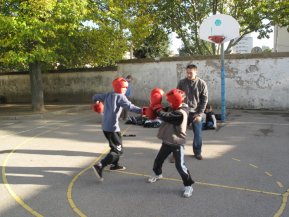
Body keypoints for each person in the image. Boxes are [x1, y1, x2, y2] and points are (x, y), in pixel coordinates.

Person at [91, 77, 142, 181]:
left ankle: (114, 165)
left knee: (115, 146)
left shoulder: (108, 94)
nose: (125, 90)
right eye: (124, 87)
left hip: (106, 126)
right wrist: (144, 111)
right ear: (120, 87)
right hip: (112, 128)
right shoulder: (121, 97)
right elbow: (130, 107)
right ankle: (100, 165)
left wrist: (97, 102)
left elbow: (95, 96)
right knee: (118, 150)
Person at [147, 88, 195, 198]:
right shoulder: (172, 107)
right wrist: (152, 107)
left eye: (170, 101)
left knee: (180, 165)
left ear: (176, 101)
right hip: (167, 140)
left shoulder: (181, 112)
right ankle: (157, 173)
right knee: (158, 160)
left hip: (177, 143)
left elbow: (166, 116)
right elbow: (163, 111)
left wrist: (158, 109)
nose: (168, 103)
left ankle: (188, 185)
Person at [177, 64, 208, 160]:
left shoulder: (202, 83)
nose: (189, 75)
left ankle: (197, 152)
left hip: (196, 113)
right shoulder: (182, 83)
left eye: (191, 73)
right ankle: (177, 153)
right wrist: (178, 109)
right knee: (179, 133)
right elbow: (177, 96)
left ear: (196, 72)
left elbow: (204, 100)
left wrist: (200, 114)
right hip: (184, 111)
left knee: (198, 134)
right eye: (187, 73)